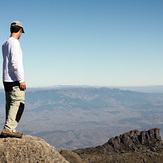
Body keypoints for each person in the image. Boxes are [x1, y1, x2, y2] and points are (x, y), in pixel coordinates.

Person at [1, 21, 26, 138]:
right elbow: (15, 63)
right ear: (20, 30)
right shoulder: (15, 43)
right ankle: (9, 128)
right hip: (14, 79)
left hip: (6, 79)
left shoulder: (5, 43)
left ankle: (9, 129)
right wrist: (21, 80)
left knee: (10, 104)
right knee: (18, 103)